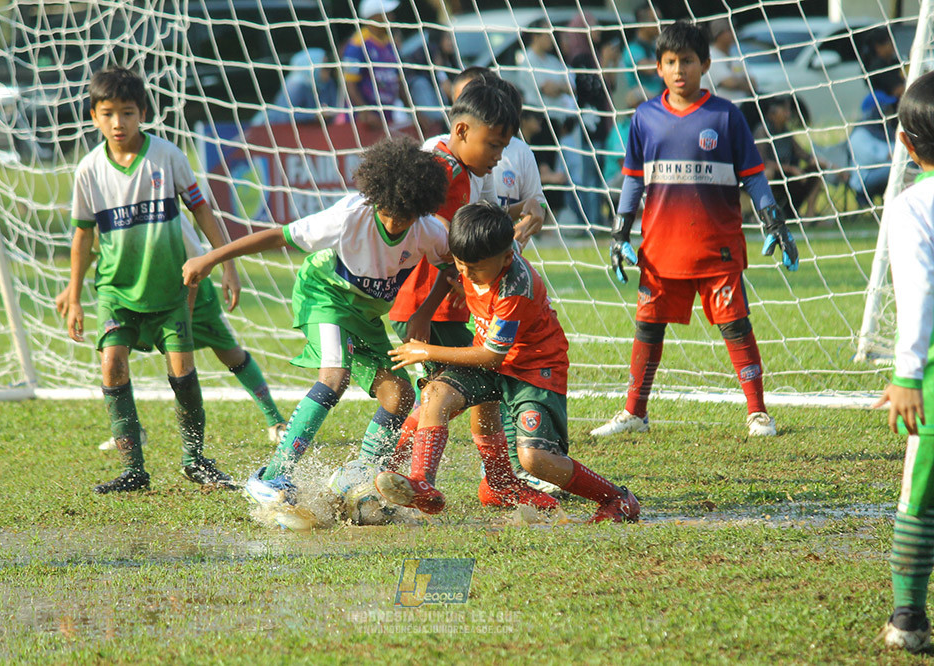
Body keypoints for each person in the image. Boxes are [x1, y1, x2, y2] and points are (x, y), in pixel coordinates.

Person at [180, 137, 449, 508]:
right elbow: (279, 236)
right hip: (323, 294)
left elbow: (450, 268)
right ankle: (273, 475)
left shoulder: (429, 230)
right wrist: (212, 258)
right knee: (334, 376)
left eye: (405, 217)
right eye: (388, 212)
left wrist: (424, 312)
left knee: (399, 395)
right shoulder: (348, 216)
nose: (393, 222)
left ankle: (358, 479)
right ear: (376, 197)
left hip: (365, 313)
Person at [593, 20, 800, 439]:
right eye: (670, 62)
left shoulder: (727, 116)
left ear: (705, 64)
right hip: (661, 249)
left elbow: (754, 176)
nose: (679, 69)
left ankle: (758, 412)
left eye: (687, 60)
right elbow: (633, 179)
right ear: (658, 67)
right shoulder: (645, 117)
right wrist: (620, 233)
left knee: (735, 324)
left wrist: (773, 220)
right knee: (648, 326)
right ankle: (635, 412)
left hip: (716, 246)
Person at [375, 201, 640, 523]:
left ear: (506, 258)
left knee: (535, 459)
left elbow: (492, 355)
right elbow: (453, 270)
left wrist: (427, 351)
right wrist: (429, 309)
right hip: (491, 359)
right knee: (435, 394)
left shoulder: (515, 287)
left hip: (534, 367)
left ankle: (616, 498)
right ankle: (429, 483)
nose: (466, 274)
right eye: (461, 264)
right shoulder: (477, 257)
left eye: (475, 269)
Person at [65, 66, 239, 493]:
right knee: (112, 363)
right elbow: (83, 234)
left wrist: (227, 264)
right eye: (108, 113)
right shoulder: (89, 170)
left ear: (143, 113)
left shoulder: (167, 156)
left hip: (169, 289)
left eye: (127, 112)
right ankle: (133, 470)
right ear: (94, 116)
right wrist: (74, 293)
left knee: (182, 370)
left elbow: (201, 209)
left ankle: (194, 459)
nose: (118, 123)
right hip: (116, 289)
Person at [388, 78, 552, 507]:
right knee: (448, 389)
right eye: (494, 146)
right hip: (430, 304)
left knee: (475, 388)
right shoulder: (443, 172)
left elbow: (471, 238)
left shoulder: (462, 172)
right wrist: (425, 311)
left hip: (447, 303)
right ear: (462, 130)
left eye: (503, 148)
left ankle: (492, 480)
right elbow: (438, 253)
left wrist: (521, 213)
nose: (498, 158)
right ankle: (392, 473)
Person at [56, 222, 288, 451]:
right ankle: (131, 431)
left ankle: (275, 421)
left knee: (230, 354)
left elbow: (194, 259)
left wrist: (186, 312)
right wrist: (72, 289)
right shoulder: (109, 209)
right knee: (113, 356)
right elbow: (95, 246)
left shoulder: (164, 211)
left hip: (186, 291)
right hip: (133, 294)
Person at [873, 70, 934, 653]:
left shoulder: (912, 205)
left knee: (918, 501)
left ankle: (909, 619)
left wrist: (907, 375)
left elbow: (918, 293)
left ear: (905, 143)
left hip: (933, 381)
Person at [341, 0, 411, 130]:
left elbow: (399, 82)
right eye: (388, 14)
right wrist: (365, 112)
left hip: (386, 118)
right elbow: (350, 85)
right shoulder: (357, 44)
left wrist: (413, 111)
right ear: (375, 17)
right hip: (362, 123)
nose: (392, 17)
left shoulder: (390, 44)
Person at [754, 94, 826, 218]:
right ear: (772, 113)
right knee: (766, 173)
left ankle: (810, 215)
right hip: (776, 175)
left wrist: (825, 164)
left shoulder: (786, 132)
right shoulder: (762, 131)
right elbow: (762, 162)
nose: (788, 114)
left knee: (818, 169)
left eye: (788, 110)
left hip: (790, 176)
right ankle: (766, 214)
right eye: (784, 110)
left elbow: (804, 154)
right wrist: (791, 169)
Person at [850, 74, 903, 205]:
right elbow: (875, 159)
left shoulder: (885, 131)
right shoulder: (860, 134)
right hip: (866, 178)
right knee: (900, 168)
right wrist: (899, 154)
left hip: (885, 168)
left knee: (904, 167)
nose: (889, 112)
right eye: (885, 109)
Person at [261, 48, 342, 125]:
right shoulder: (296, 84)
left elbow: (335, 109)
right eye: (325, 67)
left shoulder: (328, 84)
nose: (329, 71)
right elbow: (285, 116)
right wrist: (315, 115)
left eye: (329, 66)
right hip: (274, 128)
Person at [700, 19, 754, 104]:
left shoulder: (736, 55)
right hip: (721, 107)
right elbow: (730, 82)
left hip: (743, 104)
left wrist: (737, 83)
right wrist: (743, 81)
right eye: (729, 30)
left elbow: (753, 83)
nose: (733, 33)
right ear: (718, 34)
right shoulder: (710, 56)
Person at [622, 4, 663, 99]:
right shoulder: (633, 49)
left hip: (659, 97)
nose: (659, 23)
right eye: (655, 20)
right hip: (643, 100)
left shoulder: (654, 46)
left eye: (660, 19)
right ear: (642, 23)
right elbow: (648, 69)